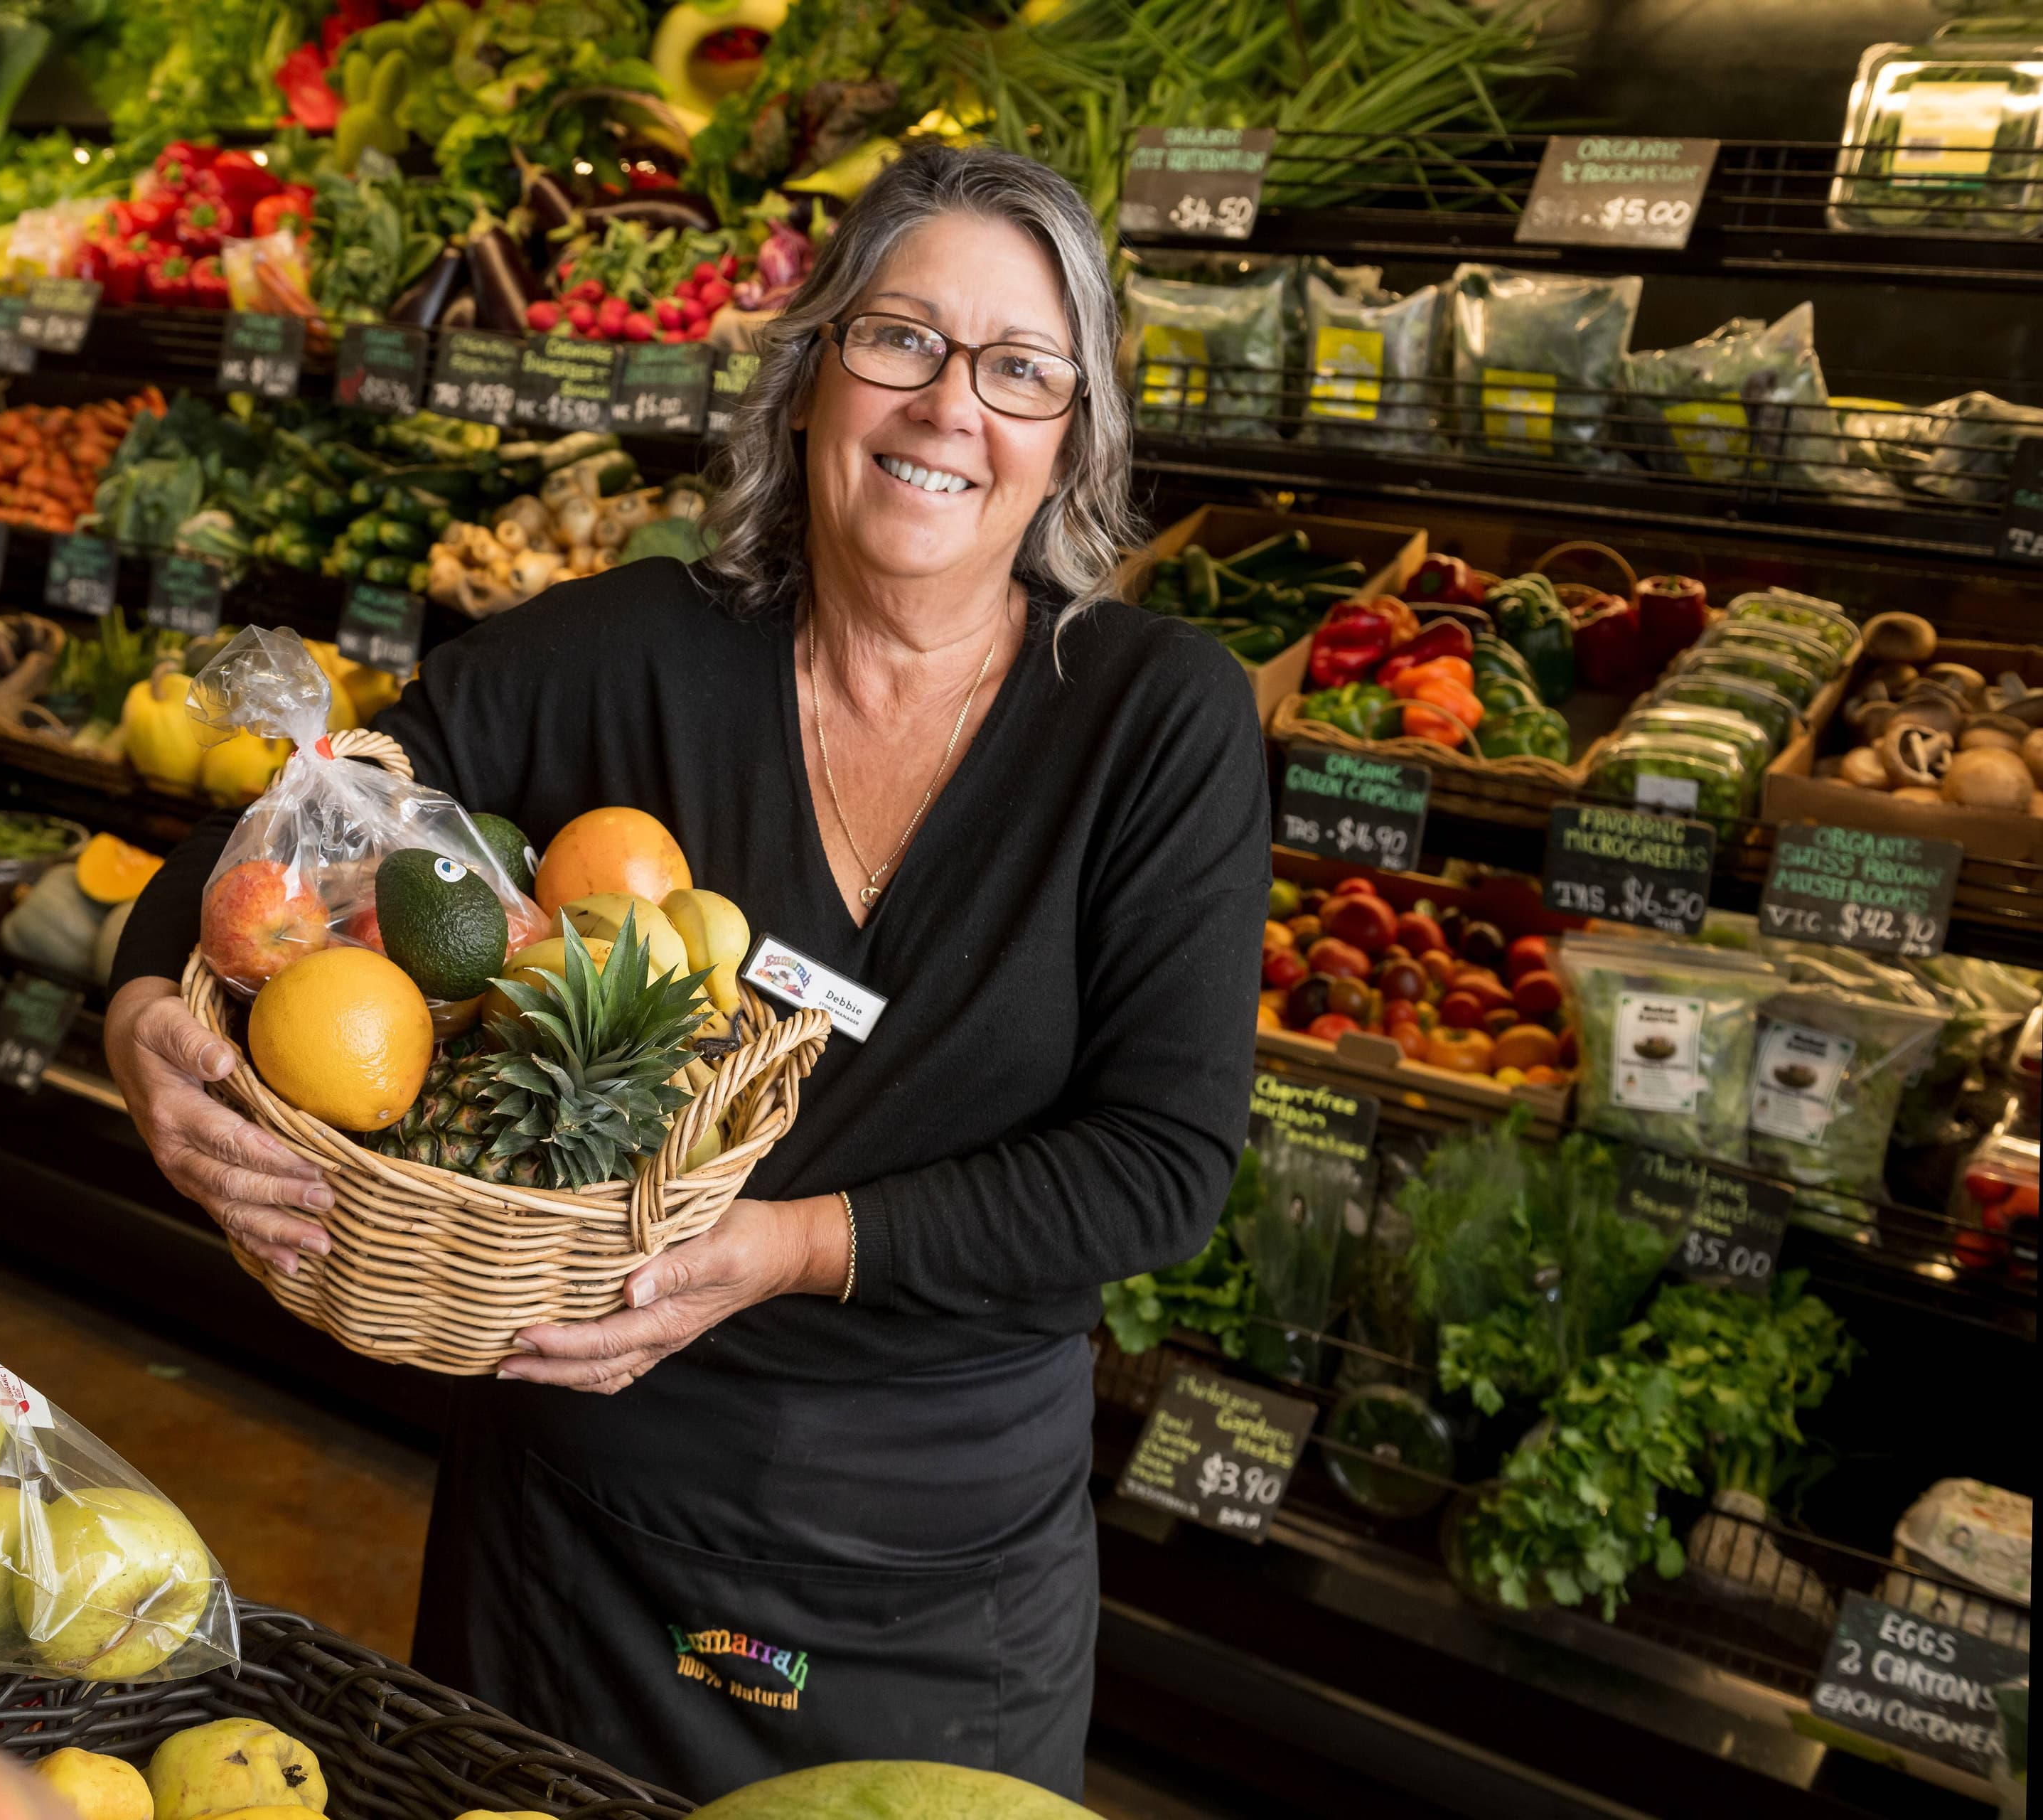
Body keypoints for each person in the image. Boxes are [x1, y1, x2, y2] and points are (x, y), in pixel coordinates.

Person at [102, 146, 1268, 1799]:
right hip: (583, 1524)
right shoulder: (630, 649)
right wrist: (147, 1007)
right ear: (807, 379)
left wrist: (785, 1244)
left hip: (937, 1563)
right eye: (900, 341)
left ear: (1072, 435)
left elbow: (1158, 1168)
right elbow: (307, 812)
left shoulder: (1158, 722)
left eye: (1020, 369)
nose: (951, 408)